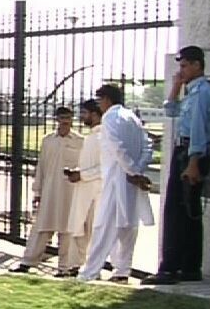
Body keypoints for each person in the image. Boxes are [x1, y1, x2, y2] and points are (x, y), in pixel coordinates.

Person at [142, 45, 210, 285]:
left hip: (191, 153)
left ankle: (170, 268)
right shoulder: (191, 90)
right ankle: (189, 268)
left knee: (178, 212)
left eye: (185, 66)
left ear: (197, 65)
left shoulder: (201, 92)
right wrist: (176, 86)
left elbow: (197, 130)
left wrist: (193, 162)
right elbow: (171, 110)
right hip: (186, 151)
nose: (181, 70)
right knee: (188, 212)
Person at [77, 85, 154, 283]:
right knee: (128, 227)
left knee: (103, 227)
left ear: (107, 99)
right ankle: (122, 271)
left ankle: (90, 273)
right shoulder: (132, 118)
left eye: (99, 100)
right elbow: (148, 146)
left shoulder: (110, 118)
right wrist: (138, 170)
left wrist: (133, 171)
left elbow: (117, 148)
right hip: (130, 180)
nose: (99, 105)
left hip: (116, 179)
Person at [10, 106, 83, 277]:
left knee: (67, 231)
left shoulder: (80, 141)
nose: (65, 121)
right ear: (56, 120)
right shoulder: (48, 140)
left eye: (68, 118)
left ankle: (65, 268)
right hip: (49, 191)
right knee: (41, 227)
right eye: (62, 118)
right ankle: (28, 261)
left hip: (70, 192)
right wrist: (38, 191)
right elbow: (41, 167)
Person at [65, 99, 103, 273]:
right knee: (78, 227)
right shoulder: (91, 137)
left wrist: (83, 175)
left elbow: (105, 166)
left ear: (94, 114)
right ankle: (76, 265)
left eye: (84, 113)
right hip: (84, 188)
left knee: (95, 230)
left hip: (97, 190)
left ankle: (93, 268)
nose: (82, 117)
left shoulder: (104, 136)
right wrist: (78, 173)